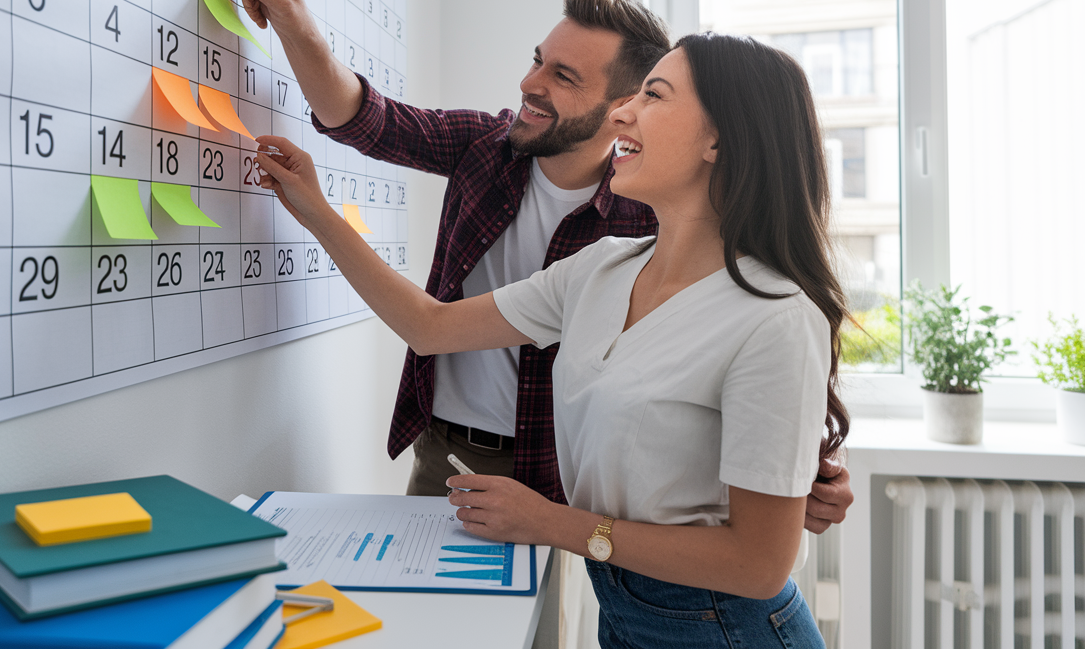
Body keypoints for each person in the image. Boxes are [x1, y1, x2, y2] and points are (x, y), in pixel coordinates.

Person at [217, 0, 852, 535]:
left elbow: (732, 351)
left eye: (563, 75)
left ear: (620, 109)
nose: (530, 81)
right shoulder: (488, 152)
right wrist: (298, 26)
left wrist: (804, 472)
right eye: (537, 59)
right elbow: (361, 116)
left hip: (563, 470)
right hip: (447, 450)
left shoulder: (650, 224)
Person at [251, 32, 841, 646]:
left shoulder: (776, 316)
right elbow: (429, 327)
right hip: (624, 607)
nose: (623, 112)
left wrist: (555, 523)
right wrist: (314, 209)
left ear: (720, 140)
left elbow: (758, 565)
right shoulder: (602, 267)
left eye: (654, 96)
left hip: (728, 627)